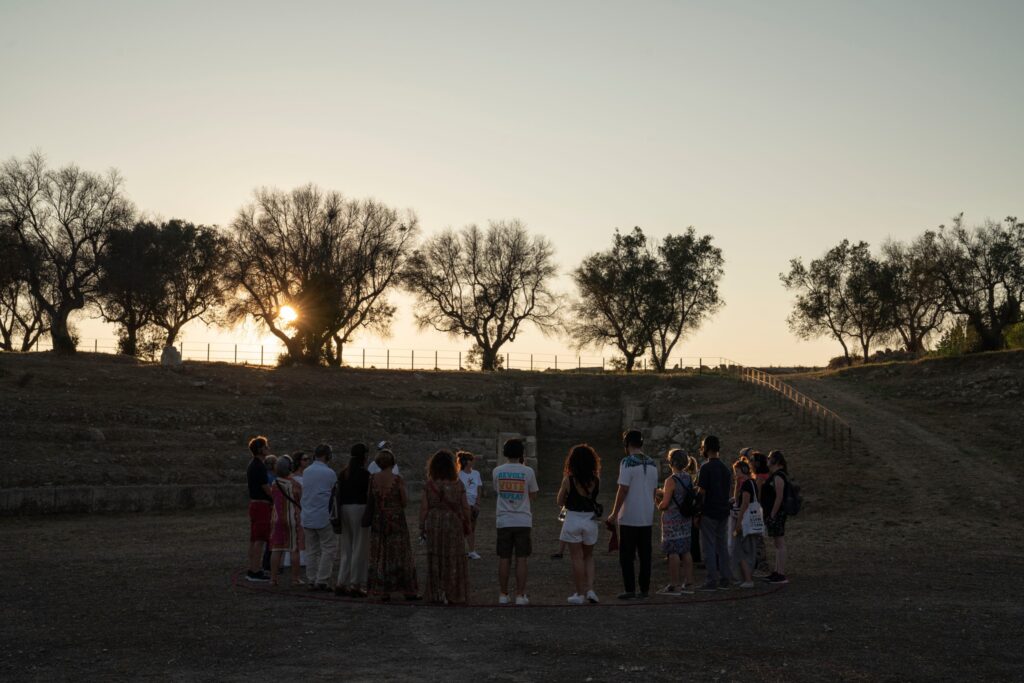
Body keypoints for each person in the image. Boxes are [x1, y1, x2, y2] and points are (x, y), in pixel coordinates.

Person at [606, 429, 659, 600]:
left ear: (627, 444)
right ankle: (644, 588)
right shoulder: (652, 463)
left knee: (627, 555)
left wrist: (614, 513)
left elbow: (623, 489)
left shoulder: (627, 462)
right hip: (646, 514)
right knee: (645, 555)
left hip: (629, 514)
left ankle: (630, 588)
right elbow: (653, 490)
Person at [367, 449, 420, 600]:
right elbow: (404, 501)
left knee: (381, 553)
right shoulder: (397, 479)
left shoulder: (372, 479)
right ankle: (407, 589)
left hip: (379, 518)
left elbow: (370, 499)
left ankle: (383, 589)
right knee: (400, 553)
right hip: (396, 519)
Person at [419, 450, 471, 604]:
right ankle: (453, 593)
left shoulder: (429, 485)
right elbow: (465, 507)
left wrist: (422, 526)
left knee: (435, 557)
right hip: (453, 522)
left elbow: (424, 508)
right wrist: (467, 523)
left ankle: (436, 592)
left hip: (434, 522)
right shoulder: (458, 484)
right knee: (453, 557)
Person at [493, 438, 539, 606]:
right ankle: (520, 595)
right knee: (521, 558)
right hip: (522, 520)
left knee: (504, 558)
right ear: (521, 453)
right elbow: (533, 495)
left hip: (504, 520)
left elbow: (496, 491)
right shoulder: (528, 472)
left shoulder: (497, 471)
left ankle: (503, 594)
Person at [556, 444, 601, 605]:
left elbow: (559, 501)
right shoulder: (595, 480)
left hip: (573, 519)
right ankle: (590, 590)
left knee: (577, 558)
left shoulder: (568, 480)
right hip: (590, 520)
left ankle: (579, 593)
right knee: (588, 556)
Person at [696, 435, 734, 591]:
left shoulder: (705, 468)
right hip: (723, 511)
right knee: (722, 546)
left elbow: (702, 492)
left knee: (709, 547)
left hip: (709, 512)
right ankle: (725, 578)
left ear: (705, 448)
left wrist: (697, 511)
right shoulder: (725, 469)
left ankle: (711, 580)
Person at [655, 449, 695, 595]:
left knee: (673, 552)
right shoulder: (688, 477)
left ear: (672, 462)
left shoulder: (670, 480)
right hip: (685, 520)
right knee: (685, 550)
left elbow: (665, 504)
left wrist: (658, 503)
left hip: (672, 521)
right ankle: (689, 583)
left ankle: (674, 585)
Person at [335, 444, 371, 598]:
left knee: (346, 548)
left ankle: (341, 582)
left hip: (344, 509)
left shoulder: (344, 473)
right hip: (359, 508)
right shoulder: (365, 474)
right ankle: (355, 583)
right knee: (359, 547)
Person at [300, 444, 338, 591]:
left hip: (308, 515)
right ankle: (322, 580)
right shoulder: (330, 473)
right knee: (328, 548)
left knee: (312, 550)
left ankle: (311, 578)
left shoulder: (307, 471)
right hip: (323, 516)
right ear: (327, 455)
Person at [269, 457, 304, 587]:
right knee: (294, 549)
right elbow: (301, 499)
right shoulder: (295, 484)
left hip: (277, 518)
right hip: (292, 518)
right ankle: (295, 579)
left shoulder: (274, 483)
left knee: (276, 548)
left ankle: (273, 579)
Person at [245, 436, 273, 582]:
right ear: (261, 449)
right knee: (260, 539)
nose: (268, 448)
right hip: (261, 505)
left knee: (254, 538)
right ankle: (255, 571)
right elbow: (266, 489)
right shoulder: (260, 466)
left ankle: (252, 568)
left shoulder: (252, 465)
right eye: (266, 446)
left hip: (254, 505)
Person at [763, 450, 790, 584]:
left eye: (770, 458)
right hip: (776, 513)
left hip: (778, 514)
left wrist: (773, 514)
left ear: (777, 461)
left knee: (780, 543)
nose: (767, 460)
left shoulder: (779, 476)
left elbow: (779, 497)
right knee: (777, 543)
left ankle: (781, 573)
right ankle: (777, 571)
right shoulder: (775, 475)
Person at [730, 459, 757, 588]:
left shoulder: (746, 485)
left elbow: (744, 504)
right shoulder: (752, 483)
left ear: (744, 471)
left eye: (737, 471)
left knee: (740, 551)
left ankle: (747, 579)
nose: (735, 474)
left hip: (745, 522)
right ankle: (747, 577)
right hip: (752, 522)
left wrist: (738, 523)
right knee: (749, 551)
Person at [282, 451, 309, 571]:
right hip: (296, 506)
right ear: (299, 461)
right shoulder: (292, 478)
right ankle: (296, 559)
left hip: (303, 507)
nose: (307, 461)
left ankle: (299, 558)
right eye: (305, 459)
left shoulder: (307, 476)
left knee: (302, 534)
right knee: (296, 534)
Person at [456, 451, 484, 560]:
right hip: (463, 505)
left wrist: (477, 503)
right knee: (462, 528)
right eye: (470, 459)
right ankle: (460, 550)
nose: (473, 461)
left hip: (473, 505)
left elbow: (479, 488)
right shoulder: (458, 475)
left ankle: (472, 551)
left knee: (472, 528)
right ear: (466, 462)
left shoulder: (476, 473)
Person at [750, 450, 771, 577]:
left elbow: (755, 496)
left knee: (758, 540)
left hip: (758, 511)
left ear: (757, 463)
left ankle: (762, 566)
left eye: (751, 460)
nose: (749, 462)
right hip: (762, 510)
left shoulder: (759, 479)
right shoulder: (766, 476)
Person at [684, 454, 702, 566]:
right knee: (694, 533)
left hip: (690, 505)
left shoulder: (686, 476)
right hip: (695, 505)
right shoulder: (697, 474)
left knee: (690, 532)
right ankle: (696, 555)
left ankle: (690, 555)